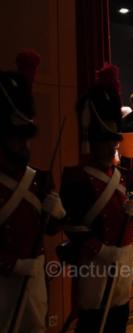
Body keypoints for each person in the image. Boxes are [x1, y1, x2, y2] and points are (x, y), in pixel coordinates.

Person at [60, 64, 133, 333]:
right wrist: (104, 251)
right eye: (106, 140)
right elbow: (73, 226)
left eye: (114, 140)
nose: (112, 145)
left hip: (121, 262)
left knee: (119, 319)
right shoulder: (76, 177)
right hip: (93, 267)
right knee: (92, 323)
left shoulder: (122, 175)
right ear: (92, 141)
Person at [0, 50, 66, 333]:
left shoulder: (39, 178)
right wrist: (12, 265)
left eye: (24, 138)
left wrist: (57, 214)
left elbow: (50, 229)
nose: (22, 145)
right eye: (15, 138)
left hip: (35, 277)